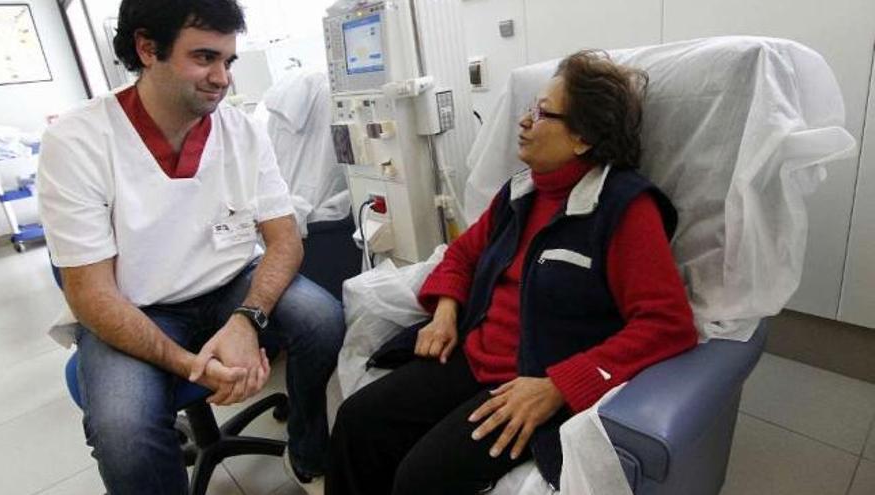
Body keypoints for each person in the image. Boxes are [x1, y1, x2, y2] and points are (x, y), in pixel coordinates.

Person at [326, 50, 699, 494]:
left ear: (582, 138)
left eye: (542, 113)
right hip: (473, 353)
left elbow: (668, 324)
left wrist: (560, 387)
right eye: (529, 108)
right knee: (357, 422)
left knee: (419, 479)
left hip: (532, 378)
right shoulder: (521, 192)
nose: (524, 121)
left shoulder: (624, 209)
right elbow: (462, 254)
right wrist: (446, 311)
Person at [36, 1, 343, 494]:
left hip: (229, 285)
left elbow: (283, 239)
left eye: (228, 61)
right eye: (204, 58)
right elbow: (90, 294)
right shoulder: (77, 142)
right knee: (125, 431)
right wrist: (193, 365)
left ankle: (307, 455)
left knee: (323, 320)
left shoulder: (242, 131)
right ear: (146, 48)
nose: (222, 78)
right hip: (134, 306)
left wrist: (249, 318)